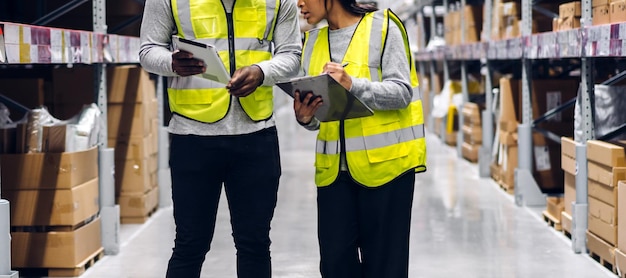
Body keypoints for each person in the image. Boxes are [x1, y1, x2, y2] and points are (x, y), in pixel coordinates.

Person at [138, 0, 301, 277]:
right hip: (192, 136)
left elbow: (292, 55)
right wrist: (171, 63)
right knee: (190, 244)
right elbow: (148, 50)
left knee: (255, 244)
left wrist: (263, 72)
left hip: (256, 135)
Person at [293, 0, 427, 277]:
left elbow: (402, 92)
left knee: (385, 268)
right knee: (334, 265)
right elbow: (319, 117)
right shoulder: (312, 41)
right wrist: (306, 117)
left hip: (386, 170)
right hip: (333, 175)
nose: (299, 3)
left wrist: (353, 84)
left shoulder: (383, 27)